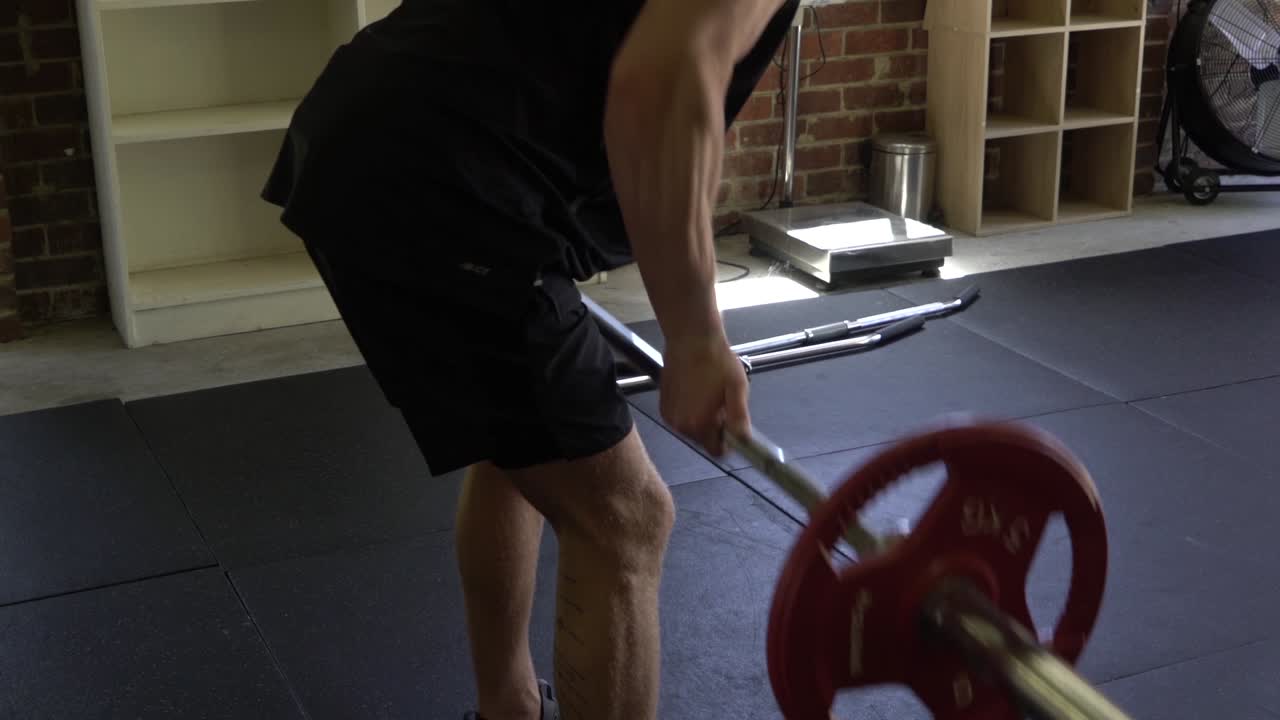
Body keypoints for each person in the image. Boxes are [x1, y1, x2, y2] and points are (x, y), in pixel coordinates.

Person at [261, 1, 799, 717]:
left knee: (521, 450)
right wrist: (697, 334)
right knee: (625, 519)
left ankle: (507, 708)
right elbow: (661, 80)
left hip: (376, 130)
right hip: (444, 176)